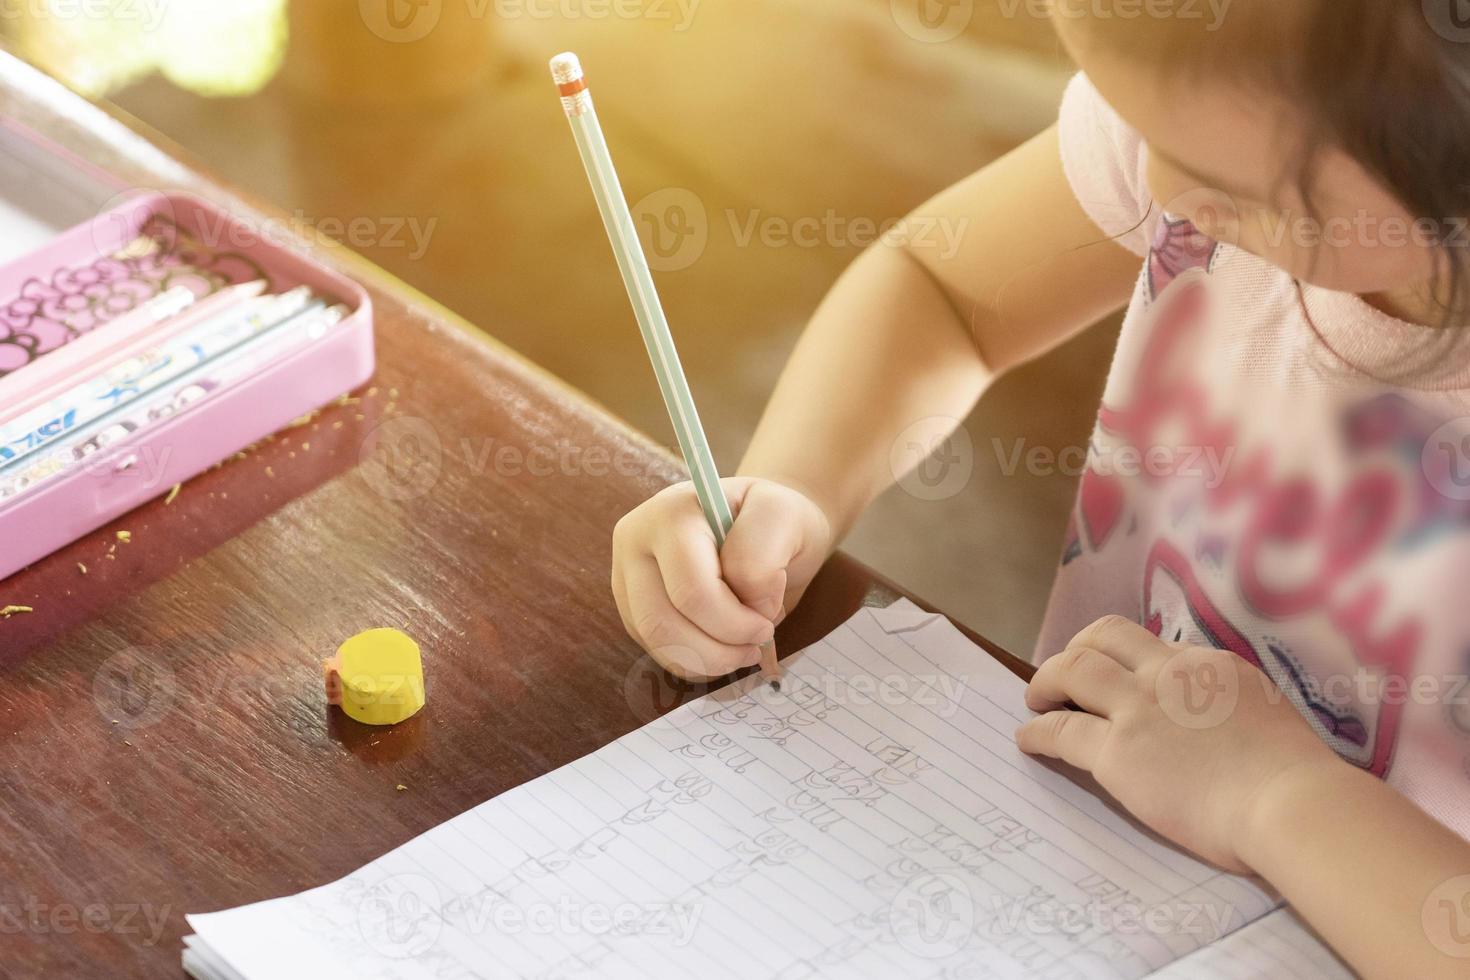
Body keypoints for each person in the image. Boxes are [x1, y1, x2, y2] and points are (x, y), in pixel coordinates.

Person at [610, 4, 1470, 975]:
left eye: (1233, 187)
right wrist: (795, 489)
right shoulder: (1209, 114)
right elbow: (943, 290)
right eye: (1133, 123)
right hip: (1051, 855)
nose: (1156, 189)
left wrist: (1279, 799)